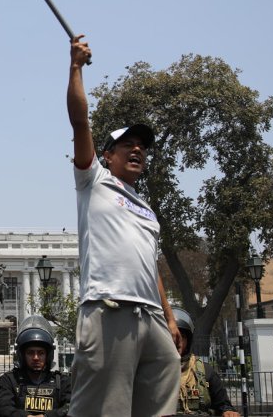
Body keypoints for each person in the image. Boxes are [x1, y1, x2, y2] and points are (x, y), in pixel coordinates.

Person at [66, 35, 181, 417]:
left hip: (150, 317)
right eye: (127, 144)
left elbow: (150, 265)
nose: (137, 150)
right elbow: (80, 120)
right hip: (110, 308)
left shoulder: (147, 209)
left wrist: (168, 316)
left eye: (142, 147)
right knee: (106, 408)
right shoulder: (93, 180)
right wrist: (76, 67)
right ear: (107, 155)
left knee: (163, 394)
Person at [0, 314, 70, 417]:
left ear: (48, 355)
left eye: (41, 353)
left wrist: (46, 416)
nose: (36, 358)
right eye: (30, 353)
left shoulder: (62, 382)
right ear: (22, 355)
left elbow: (72, 407)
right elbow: (1, 408)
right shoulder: (9, 380)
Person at [169, 308, 237, 417]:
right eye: (172, 336)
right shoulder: (153, 372)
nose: (177, 341)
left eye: (182, 336)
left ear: (189, 340)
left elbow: (223, 405)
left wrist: (228, 412)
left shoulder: (205, 371)